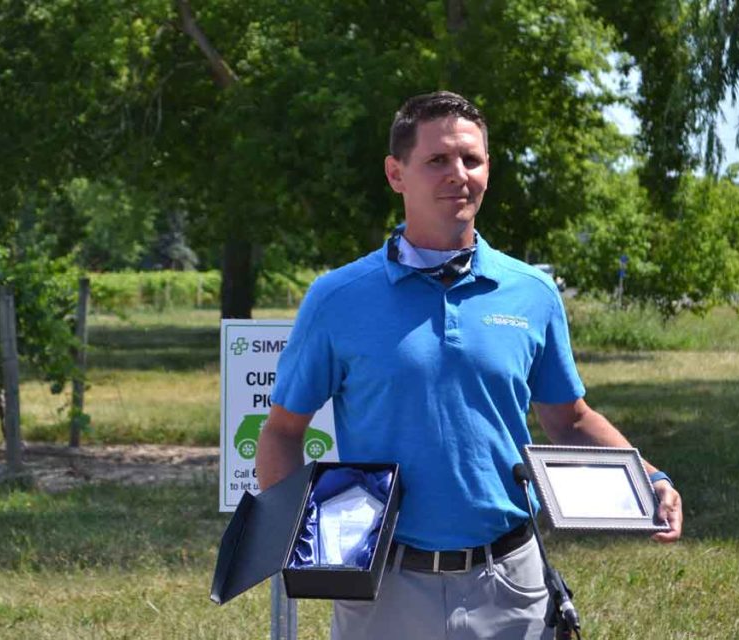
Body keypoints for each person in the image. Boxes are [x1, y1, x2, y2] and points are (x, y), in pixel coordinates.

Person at [256, 91, 683, 640]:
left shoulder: (532, 292)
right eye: (437, 160)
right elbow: (283, 431)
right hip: (384, 590)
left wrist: (650, 478)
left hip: (509, 581)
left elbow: (570, 419)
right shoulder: (337, 298)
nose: (458, 175)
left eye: (471, 160)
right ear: (395, 173)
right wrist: (302, 542)